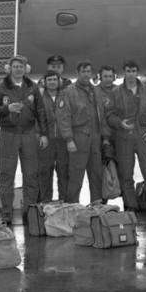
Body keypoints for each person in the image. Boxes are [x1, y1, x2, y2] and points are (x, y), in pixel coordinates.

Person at [0, 55, 48, 225]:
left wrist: (43, 134)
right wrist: (7, 108)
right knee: (7, 176)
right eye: (15, 67)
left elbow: (41, 111)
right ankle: (7, 214)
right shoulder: (0, 88)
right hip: (8, 135)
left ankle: (29, 213)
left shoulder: (32, 87)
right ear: (10, 69)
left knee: (31, 176)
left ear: (25, 68)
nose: (18, 69)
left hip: (28, 134)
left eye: (21, 66)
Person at [105, 59, 146, 216]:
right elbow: (109, 114)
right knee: (126, 173)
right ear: (124, 72)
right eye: (128, 71)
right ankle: (131, 205)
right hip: (124, 136)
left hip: (142, 135)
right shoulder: (116, 92)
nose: (130, 74)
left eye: (133, 71)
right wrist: (120, 122)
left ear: (137, 72)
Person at [57, 60, 110, 204]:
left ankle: (97, 205)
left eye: (88, 72)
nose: (86, 75)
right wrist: (68, 139)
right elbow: (63, 118)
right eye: (83, 72)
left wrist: (105, 137)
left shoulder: (96, 91)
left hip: (95, 138)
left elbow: (102, 115)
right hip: (78, 138)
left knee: (96, 174)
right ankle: (73, 205)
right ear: (78, 73)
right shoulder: (68, 92)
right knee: (75, 175)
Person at [37, 70, 69, 202]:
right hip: (46, 140)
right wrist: (39, 134)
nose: (52, 82)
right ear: (45, 82)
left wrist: (69, 137)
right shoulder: (39, 96)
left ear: (59, 81)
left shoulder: (65, 95)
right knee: (45, 173)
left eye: (54, 80)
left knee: (64, 173)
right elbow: (36, 118)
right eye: (49, 80)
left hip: (62, 140)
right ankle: (45, 203)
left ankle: (65, 203)